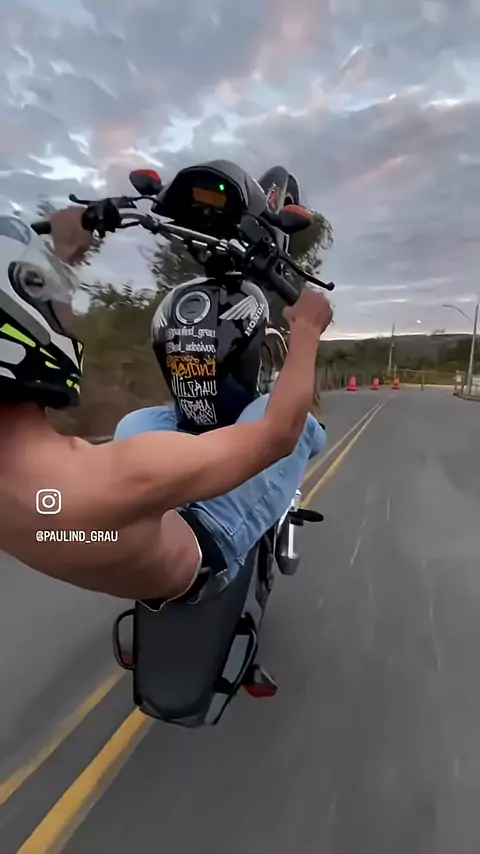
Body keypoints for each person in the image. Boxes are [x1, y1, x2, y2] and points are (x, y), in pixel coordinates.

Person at [0, 207, 333, 601]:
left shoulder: (111, 472)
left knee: (139, 422)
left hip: (117, 540)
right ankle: (310, 445)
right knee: (292, 424)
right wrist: (307, 329)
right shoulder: (124, 475)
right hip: (205, 543)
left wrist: (61, 253)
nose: (64, 314)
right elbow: (278, 433)